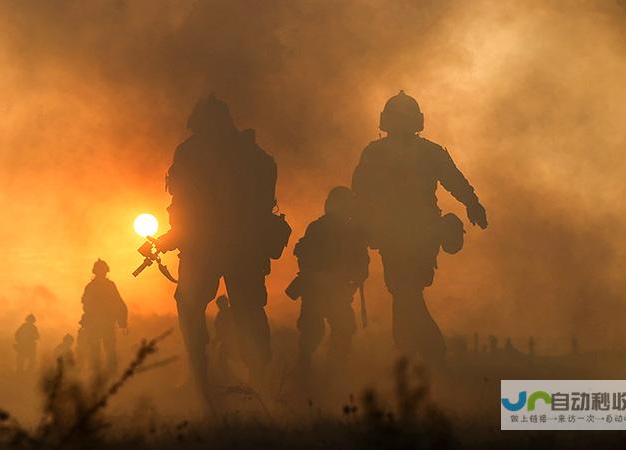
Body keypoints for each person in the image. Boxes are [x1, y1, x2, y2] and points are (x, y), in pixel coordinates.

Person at [155, 94, 285, 394]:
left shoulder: (191, 153)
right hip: (237, 247)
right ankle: (242, 376)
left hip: (211, 248)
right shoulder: (250, 154)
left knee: (204, 307)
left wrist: (177, 236)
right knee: (245, 309)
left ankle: (208, 375)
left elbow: (184, 203)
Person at [352, 91, 488, 367]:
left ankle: (426, 351)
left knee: (405, 292)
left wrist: (472, 203)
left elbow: (360, 195)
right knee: (404, 292)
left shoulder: (379, 152)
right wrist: (472, 204)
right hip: (408, 235)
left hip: (408, 235)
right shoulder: (426, 152)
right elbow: (361, 195)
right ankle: (414, 353)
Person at [290, 186, 369, 372]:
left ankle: (329, 374)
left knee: (339, 331)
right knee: (314, 334)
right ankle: (309, 373)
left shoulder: (344, 231)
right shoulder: (324, 229)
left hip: (334, 292)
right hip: (318, 291)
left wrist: (350, 283)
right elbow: (304, 257)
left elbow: (361, 265)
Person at [80, 259, 128, 374]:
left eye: (103, 270)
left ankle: (110, 373)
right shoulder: (92, 287)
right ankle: (97, 373)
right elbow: (86, 305)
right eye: (100, 270)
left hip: (106, 323)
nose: (102, 273)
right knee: (96, 349)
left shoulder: (106, 286)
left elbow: (118, 303)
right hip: (96, 323)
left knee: (109, 349)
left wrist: (123, 322)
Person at [212, 295, 240, 382]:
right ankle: (228, 376)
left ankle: (229, 377)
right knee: (222, 357)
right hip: (229, 342)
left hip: (234, 342)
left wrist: (217, 340)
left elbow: (222, 330)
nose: (220, 306)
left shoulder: (229, 313)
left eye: (221, 304)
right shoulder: (224, 314)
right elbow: (219, 330)